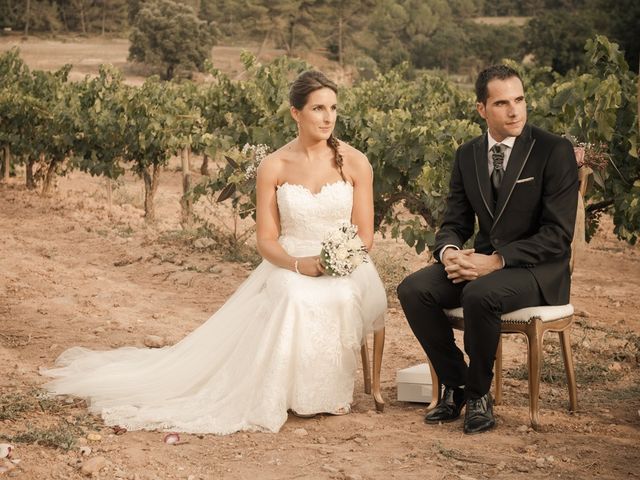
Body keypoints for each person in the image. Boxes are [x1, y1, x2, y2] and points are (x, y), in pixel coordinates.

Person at [42, 70, 387, 435]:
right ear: (295, 113)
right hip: (292, 261)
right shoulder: (275, 165)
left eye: (333, 108)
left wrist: (336, 260)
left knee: (343, 294)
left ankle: (329, 394)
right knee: (291, 294)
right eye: (318, 108)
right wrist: (301, 264)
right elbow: (267, 241)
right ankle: (284, 393)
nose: (328, 117)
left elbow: (365, 236)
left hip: (345, 263)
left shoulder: (355, 162)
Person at [397, 65, 578, 434]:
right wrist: (450, 253)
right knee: (414, 290)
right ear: (481, 109)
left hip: (537, 271)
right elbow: (455, 222)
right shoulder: (468, 155)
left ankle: (480, 395)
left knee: (480, 293)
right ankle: (458, 383)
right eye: (502, 103)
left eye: (520, 100)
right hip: (482, 264)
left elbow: (558, 235)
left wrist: (496, 261)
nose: (515, 111)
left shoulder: (553, 150)